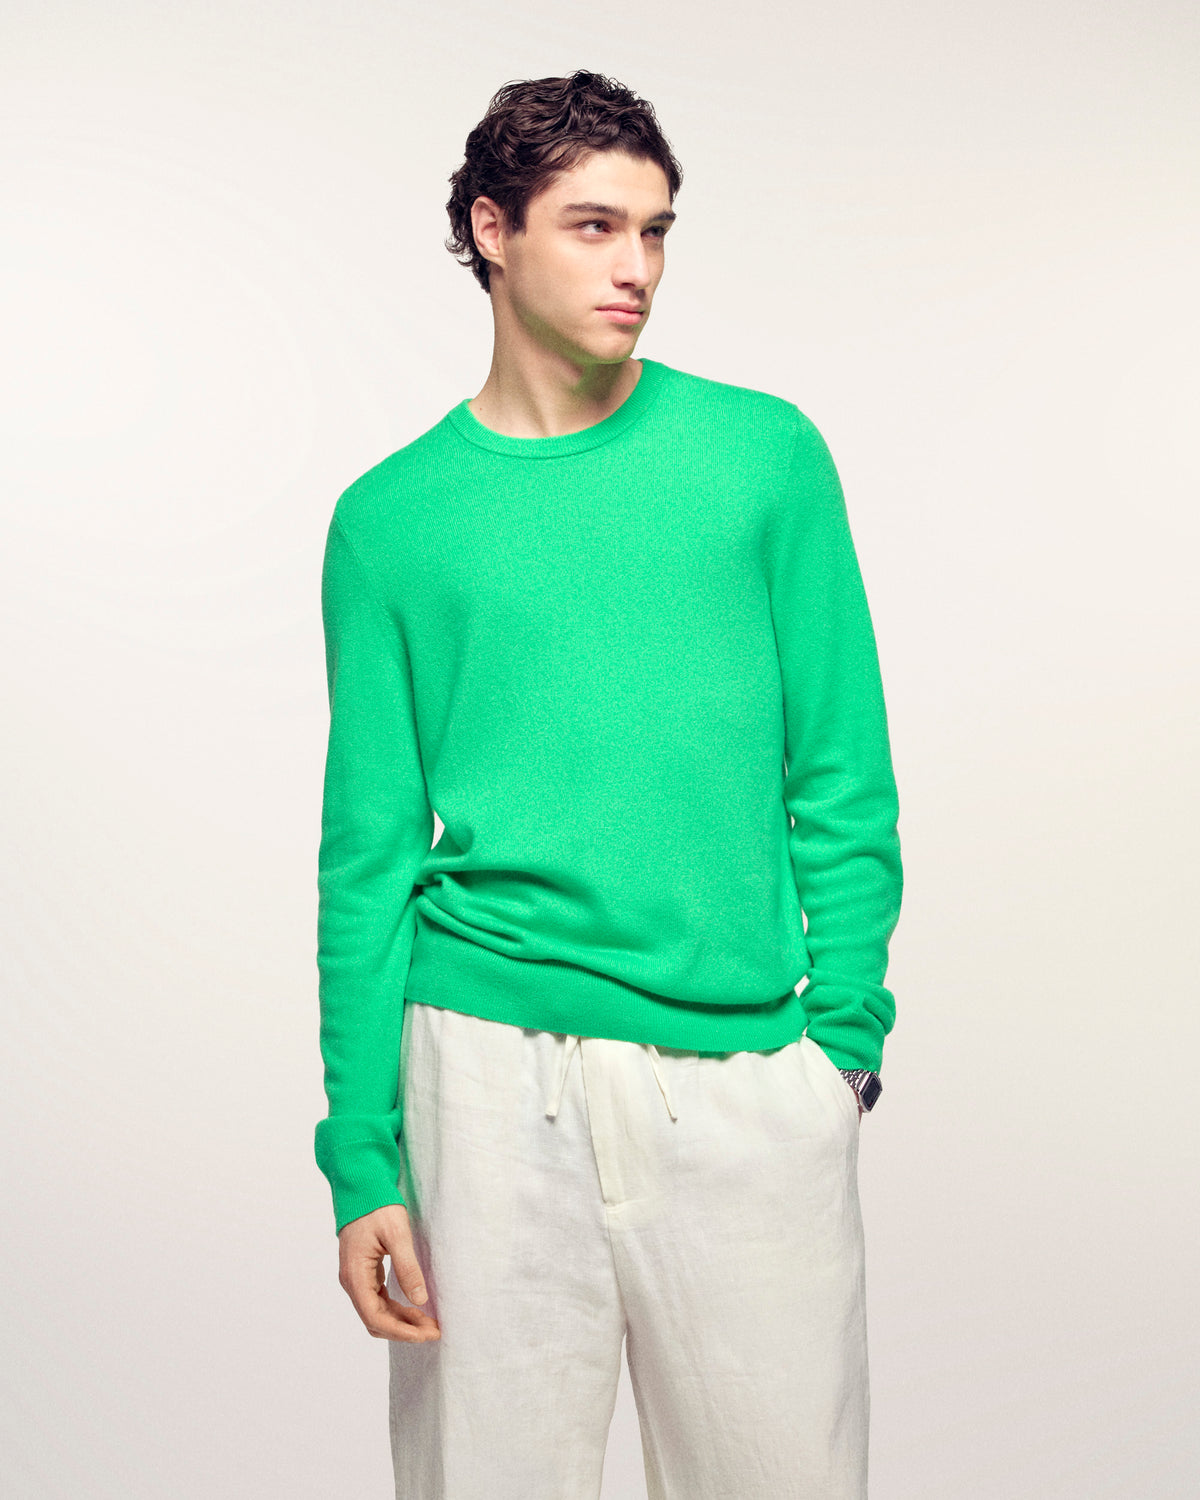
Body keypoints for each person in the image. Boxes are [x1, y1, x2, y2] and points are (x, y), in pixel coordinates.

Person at [314, 69, 903, 1500]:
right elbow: (367, 854)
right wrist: (363, 1156)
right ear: (492, 228)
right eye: (594, 226)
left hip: (746, 1075)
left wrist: (844, 1040)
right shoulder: (389, 521)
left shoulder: (763, 457)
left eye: (656, 231)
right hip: (482, 1078)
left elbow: (841, 769)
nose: (636, 266)